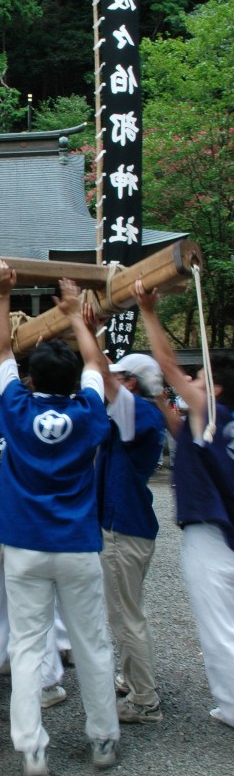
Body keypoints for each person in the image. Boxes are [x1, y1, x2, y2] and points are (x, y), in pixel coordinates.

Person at [0, 261, 119, 776]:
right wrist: (74, 314)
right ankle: (103, 736)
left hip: (23, 545)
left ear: (33, 379)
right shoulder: (89, 412)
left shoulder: (15, 408)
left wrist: (2, 297)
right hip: (77, 545)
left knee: (26, 645)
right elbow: (93, 363)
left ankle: (32, 749)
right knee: (92, 642)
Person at [134, 278, 234, 728]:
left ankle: (231, 704)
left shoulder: (213, 414)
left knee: (219, 626)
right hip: (226, 529)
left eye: (197, 382)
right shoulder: (211, 427)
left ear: (213, 390)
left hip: (211, 535)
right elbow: (183, 436)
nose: (189, 384)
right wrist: (158, 397)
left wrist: (149, 311)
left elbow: (170, 364)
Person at [95, 349, 166, 723]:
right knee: (126, 610)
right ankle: (134, 679)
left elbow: (105, 382)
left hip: (124, 529)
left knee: (125, 615)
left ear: (131, 383)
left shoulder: (138, 413)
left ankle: (144, 699)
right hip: (130, 524)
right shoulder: (140, 414)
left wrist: (83, 327)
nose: (112, 383)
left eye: (119, 377)